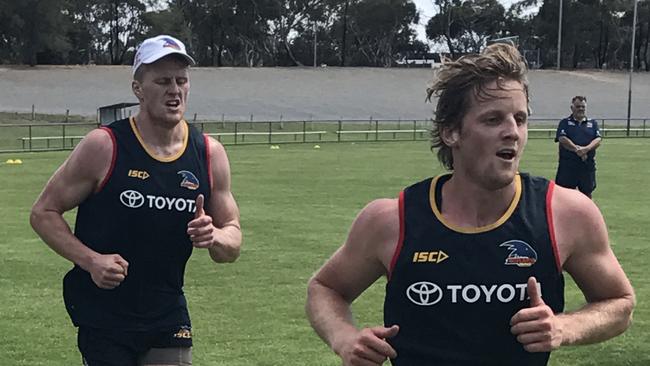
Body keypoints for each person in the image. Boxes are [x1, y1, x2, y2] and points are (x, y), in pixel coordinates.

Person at [305, 44, 634, 366]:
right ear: (451, 132)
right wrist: (345, 338)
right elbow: (325, 288)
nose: (512, 133)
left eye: (520, 119)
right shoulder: (392, 219)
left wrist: (564, 327)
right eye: (493, 120)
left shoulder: (566, 214)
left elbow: (620, 303)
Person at [30, 35, 242, 366]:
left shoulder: (208, 153)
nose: (174, 89)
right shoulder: (105, 146)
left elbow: (233, 237)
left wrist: (214, 236)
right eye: (162, 81)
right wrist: (91, 261)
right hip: (103, 316)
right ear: (138, 89)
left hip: (167, 312)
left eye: (181, 80)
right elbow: (43, 212)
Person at [554, 96, 602, 198]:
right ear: (572, 108)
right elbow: (562, 138)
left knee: (586, 196)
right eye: (578, 106)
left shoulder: (592, 123)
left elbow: (598, 140)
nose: (580, 109)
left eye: (583, 107)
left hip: (586, 167)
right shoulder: (565, 123)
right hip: (568, 167)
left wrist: (586, 149)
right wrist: (576, 149)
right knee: (565, 196)